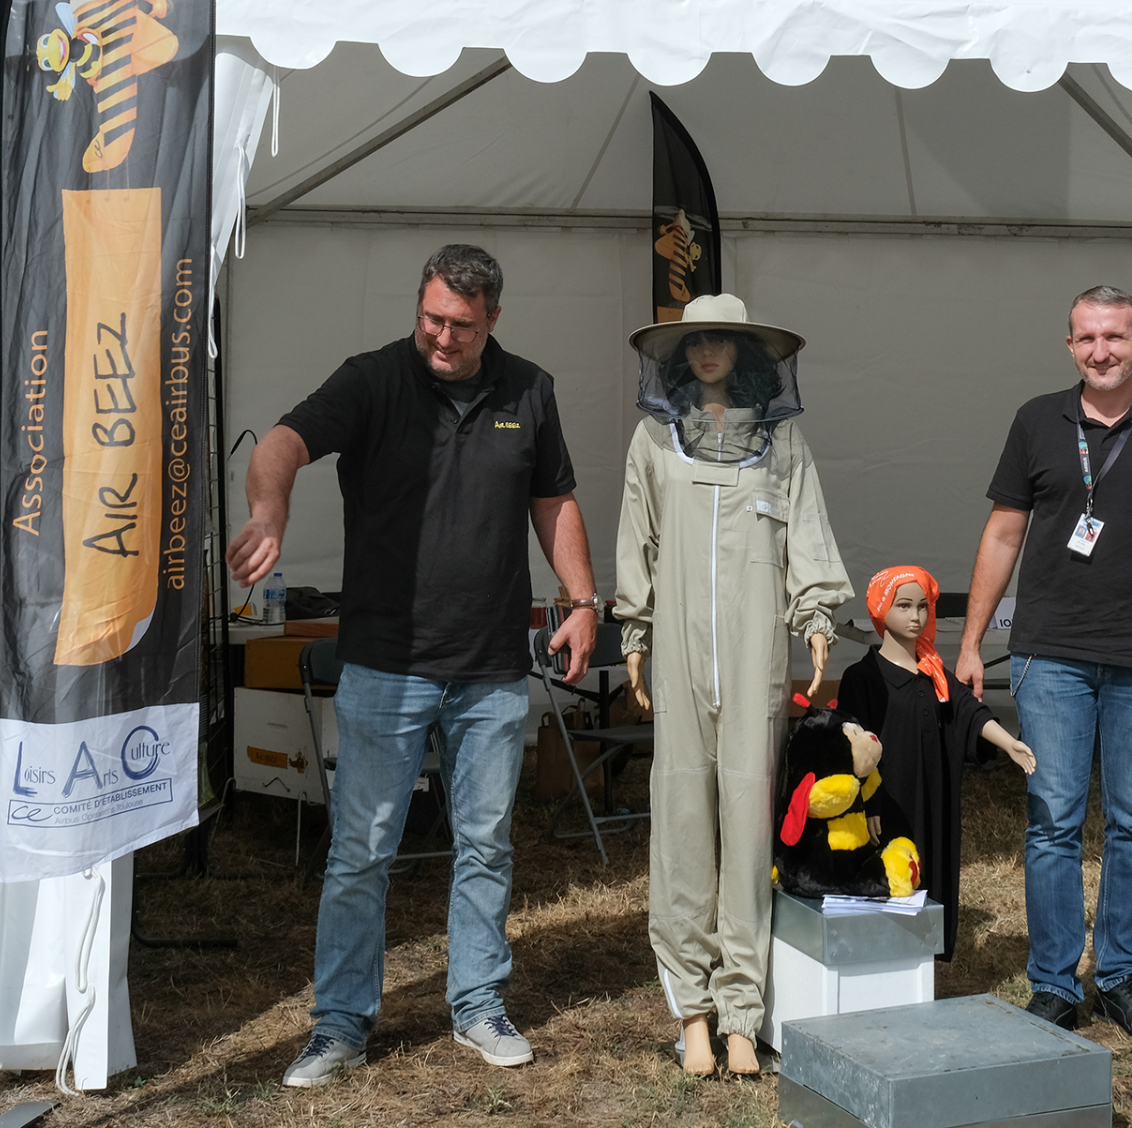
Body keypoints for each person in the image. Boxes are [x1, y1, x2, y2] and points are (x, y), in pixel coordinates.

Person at [226, 244, 599, 1087]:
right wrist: (270, 508)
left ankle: (478, 1004)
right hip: (386, 663)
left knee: (486, 844)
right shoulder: (372, 380)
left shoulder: (529, 390)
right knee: (361, 850)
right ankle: (340, 1024)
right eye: (431, 318)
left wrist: (582, 600)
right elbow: (283, 442)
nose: (442, 336)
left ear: (492, 318)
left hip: (491, 665)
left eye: (461, 325)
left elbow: (554, 499)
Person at [954, 285, 1132, 1044]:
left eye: (1115, 337)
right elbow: (1003, 533)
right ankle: (1054, 984)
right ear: (1070, 346)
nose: (1101, 351)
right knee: (1053, 821)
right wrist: (971, 642)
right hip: (1051, 657)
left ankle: (1121, 979)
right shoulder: (1037, 420)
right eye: (1087, 338)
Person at [614, 293, 852, 1077]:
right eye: (695, 342)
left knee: (749, 832)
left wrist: (815, 616)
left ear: (747, 353)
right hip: (679, 661)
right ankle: (693, 1013)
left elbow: (807, 534)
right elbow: (638, 538)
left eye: (721, 340)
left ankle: (742, 1013)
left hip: (755, 659)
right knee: (682, 827)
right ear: (679, 354)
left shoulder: (783, 444)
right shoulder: (655, 439)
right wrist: (636, 633)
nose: (707, 352)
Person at [837, 565, 1034, 962]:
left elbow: (969, 711)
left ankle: (921, 961)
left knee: (930, 871)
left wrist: (1009, 742)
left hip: (933, 802)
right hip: (888, 806)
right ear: (880, 609)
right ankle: (883, 961)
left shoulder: (935, 674)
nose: (915, 616)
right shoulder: (862, 678)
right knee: (890, 878)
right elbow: (852, 749)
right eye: (903, 606)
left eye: (922, 606)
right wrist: (867, 803)